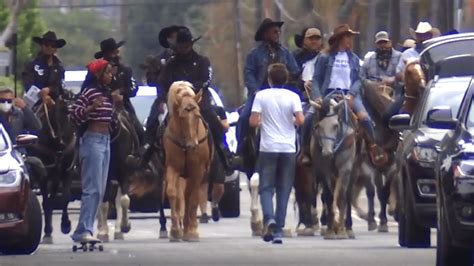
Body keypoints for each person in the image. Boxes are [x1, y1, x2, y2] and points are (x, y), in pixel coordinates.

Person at [158, 27, 234, 172]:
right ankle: (148, 151)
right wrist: (162, 99)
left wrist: (190, 89)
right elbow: (163, 83)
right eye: (181, 47)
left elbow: (206, 80)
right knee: (156, 121)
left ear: (191, 45)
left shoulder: (202, 61)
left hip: (198, 100)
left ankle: (224, 151)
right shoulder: (171, 64)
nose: (183, 49)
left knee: (212, 120)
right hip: (176, 103)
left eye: (186, 46)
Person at [311, 24, 386, 166]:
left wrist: (351, 94)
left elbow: (358, 79)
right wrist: (317, 96)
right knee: (309, 118)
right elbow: (316, 78)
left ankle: (372, 147)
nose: (349, 40)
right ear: (339, 39)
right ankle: (305, 152)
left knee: (365, 119)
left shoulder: (353, 58)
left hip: (348, 95)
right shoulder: (324, 57)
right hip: (329, 94)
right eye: (347, 37)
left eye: (350, 37)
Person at [250, 63, 304, 244]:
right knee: (284, 189)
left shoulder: (261, 96)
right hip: (288, 148)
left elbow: (252, 121)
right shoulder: (293, 96)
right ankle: (279, 231)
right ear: (286, 79)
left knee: (266, 187)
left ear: (269, 79)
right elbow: (300, 120)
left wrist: (262, 122)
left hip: (268, 147)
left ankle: (269, 218)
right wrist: (290, 121)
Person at [69, 59, 117, 243]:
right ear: (98, 75)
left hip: (105, 141)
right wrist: (91, 108)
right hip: (92, 140)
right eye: (107, 73)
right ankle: (83, 230)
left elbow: (110, 118)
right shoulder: (89, 93)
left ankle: (85, 228)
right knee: (92, 188)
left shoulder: (106, 94)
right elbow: (74, 115)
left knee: (100, 188)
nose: (110, 76)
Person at [238, 18, 299, 144]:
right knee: (244, 118)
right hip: (260, 93)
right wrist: (255, 91)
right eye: (274, 32)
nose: (277, 34)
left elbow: (295, 71)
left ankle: (302, 149)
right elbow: (248, 73)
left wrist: (292, 79)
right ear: (265, 34)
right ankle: (240, 150)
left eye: (278, 32)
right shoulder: (254, 54)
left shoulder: (285, 53)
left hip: (283, 92)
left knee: (302, 116)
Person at [93, 38, 145, 145]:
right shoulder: (95, 71)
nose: (115, 55)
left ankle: (138, 153)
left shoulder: (125, 70)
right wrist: (106, 95)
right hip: (100, 106)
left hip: (122, 106)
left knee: (139, 131)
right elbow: (88, 87)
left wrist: (120, 91)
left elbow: (134, 88)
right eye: (112, 53)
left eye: (116, 52)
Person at [292, 27, 323, 163]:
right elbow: (290, 75)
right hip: (301, 96)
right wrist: (302, 83)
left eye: (317, 39)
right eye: (311, 39)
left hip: (322, 96)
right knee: (305, 119)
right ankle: (304, 149)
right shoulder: (295, 57)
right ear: (304, 41)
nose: (314, 42)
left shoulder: (325, 57)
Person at [361, 31, 403, 121]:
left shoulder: (400, 57)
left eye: (385, 42)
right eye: (380, 43)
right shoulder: (368, 60)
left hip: (394, 92)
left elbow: (403, 75)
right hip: (372, 95)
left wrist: (391, 80)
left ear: (390, 42)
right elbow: (362, 77)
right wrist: (372, 84)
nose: (383, 46)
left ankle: (389, 118)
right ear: (376, 45)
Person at [199, 105, 229, 223]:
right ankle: (203, 213)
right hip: (199, 148)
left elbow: (226, 127)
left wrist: (216, 120)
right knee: (203, 182)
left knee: (219, 185)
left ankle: (215, 205)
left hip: (217, 147)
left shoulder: (219, 110)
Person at [22, 31, 66, 108]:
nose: (49, 47)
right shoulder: (31, 65)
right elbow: (28, 85)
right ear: (42, 46)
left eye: (52, 46)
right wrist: (42, 95)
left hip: (55, 103)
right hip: (34, 103)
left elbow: (60, 86)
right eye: (46, 45)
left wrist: (49, 89)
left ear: (55, 49)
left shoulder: (59, 67)